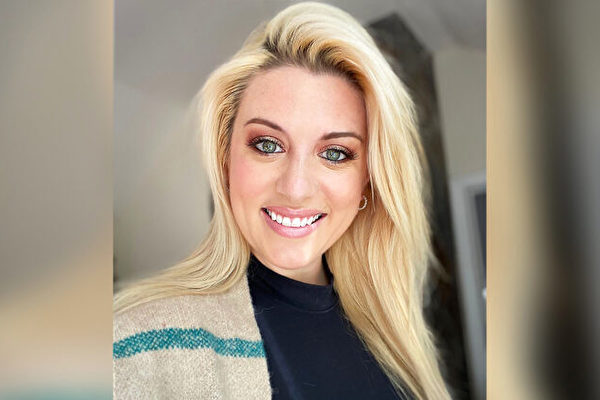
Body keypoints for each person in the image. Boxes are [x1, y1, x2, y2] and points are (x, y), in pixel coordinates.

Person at [113, 2, 450, 399]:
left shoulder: (393, 332)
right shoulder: (141, 346)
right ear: (226, 160)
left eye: (335, 153)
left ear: (367, 182)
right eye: (268, 145)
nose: (296, 188)